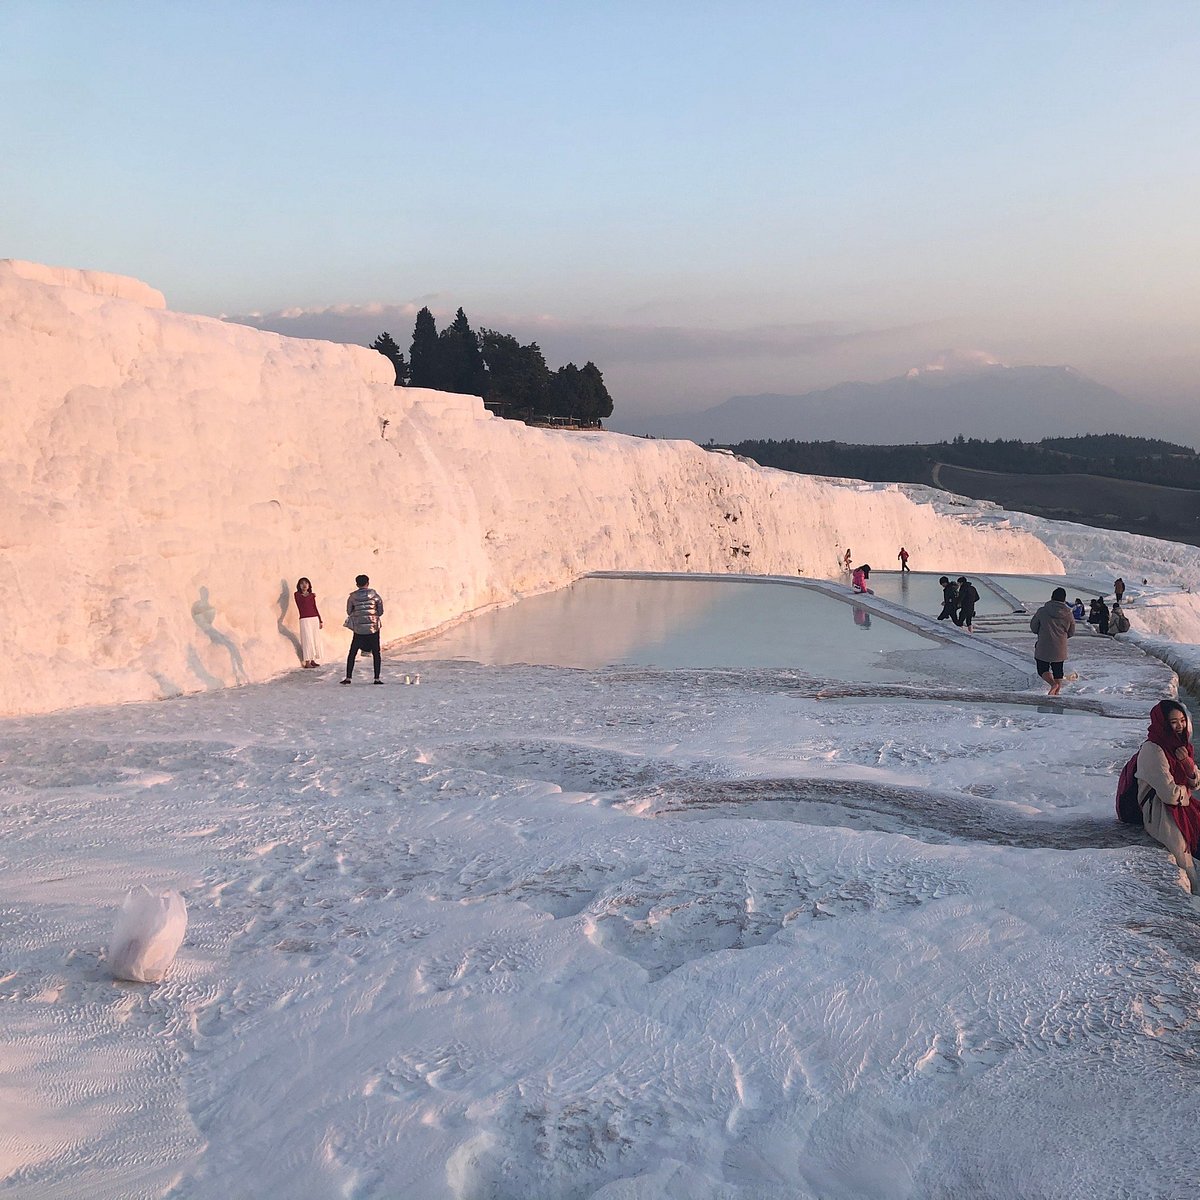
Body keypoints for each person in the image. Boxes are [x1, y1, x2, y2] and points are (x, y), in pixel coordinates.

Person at [1136, 699, 1200, 894]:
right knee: (1181, 849)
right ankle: (1194, 897)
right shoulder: (1153, 749)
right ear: (1162, 722)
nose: (1179, 726)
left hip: (1181, 804)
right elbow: (1170, 795)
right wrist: (1187, 790)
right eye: (1173, 722)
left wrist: (1189, 767)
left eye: (1182, 720)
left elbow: (1196, 783)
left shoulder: (1181, 747)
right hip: (1157, 809)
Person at [1029, 586, 1075, 696]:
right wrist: (1062, 638)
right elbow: (1072, 631)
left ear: (1051, 597)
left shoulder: (1042, 611)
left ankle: (1053, 684)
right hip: (1060, 647)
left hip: (1043, 645)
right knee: (1058, 670)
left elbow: (1034, 627)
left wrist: (1041, 633)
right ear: (1064, 599)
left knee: (1042, 669)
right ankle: (1056, 693)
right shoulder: (1068, 614)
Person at [342, 574, 385, 685]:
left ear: (357, 584)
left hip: (359, 628)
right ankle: (376, 678)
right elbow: (380, 611)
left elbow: (349, 611)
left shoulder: (352, 597)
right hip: (373, 628)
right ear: (368, 583)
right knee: (376, 652)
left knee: (352, 652)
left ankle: (348, 678)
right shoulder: (375, 595)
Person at [294, 577, 324, 669]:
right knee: (307, 639)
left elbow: (314, 607)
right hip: (304, 619)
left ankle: (312, 660)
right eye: (302, 583)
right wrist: (309, 595)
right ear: (299, 585)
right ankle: (307, 662)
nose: (304, 585)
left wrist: (320, 619)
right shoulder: (297, 594)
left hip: (314, 618)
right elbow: (301, 601)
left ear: (309, 585)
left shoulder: (311, 596)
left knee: (314, 638)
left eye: (306, 583)